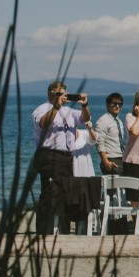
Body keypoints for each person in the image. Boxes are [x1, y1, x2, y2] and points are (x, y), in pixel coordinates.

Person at [32, 81, 91, 234]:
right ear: (50, 94)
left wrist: (84, 105)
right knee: (49, 193)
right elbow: (43, 123)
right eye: (58, 94)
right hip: (49, 154)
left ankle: (63, 231)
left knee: (66, 194)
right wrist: (56, 106)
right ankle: (44, 231)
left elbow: (84, 119)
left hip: (66, 156)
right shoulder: (42, 109)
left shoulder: (69, 111)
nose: (62, 97)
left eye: (63, 94)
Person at [93, 92, 125, 175]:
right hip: (111, 159)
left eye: (119, 104)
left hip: (121, 158)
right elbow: (99, 143)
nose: (117, 106)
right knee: (113, 187)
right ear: (108, 104)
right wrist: (106, 161)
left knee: (122, 186)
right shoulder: (102, 121)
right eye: (114, 104)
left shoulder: (119, 121)